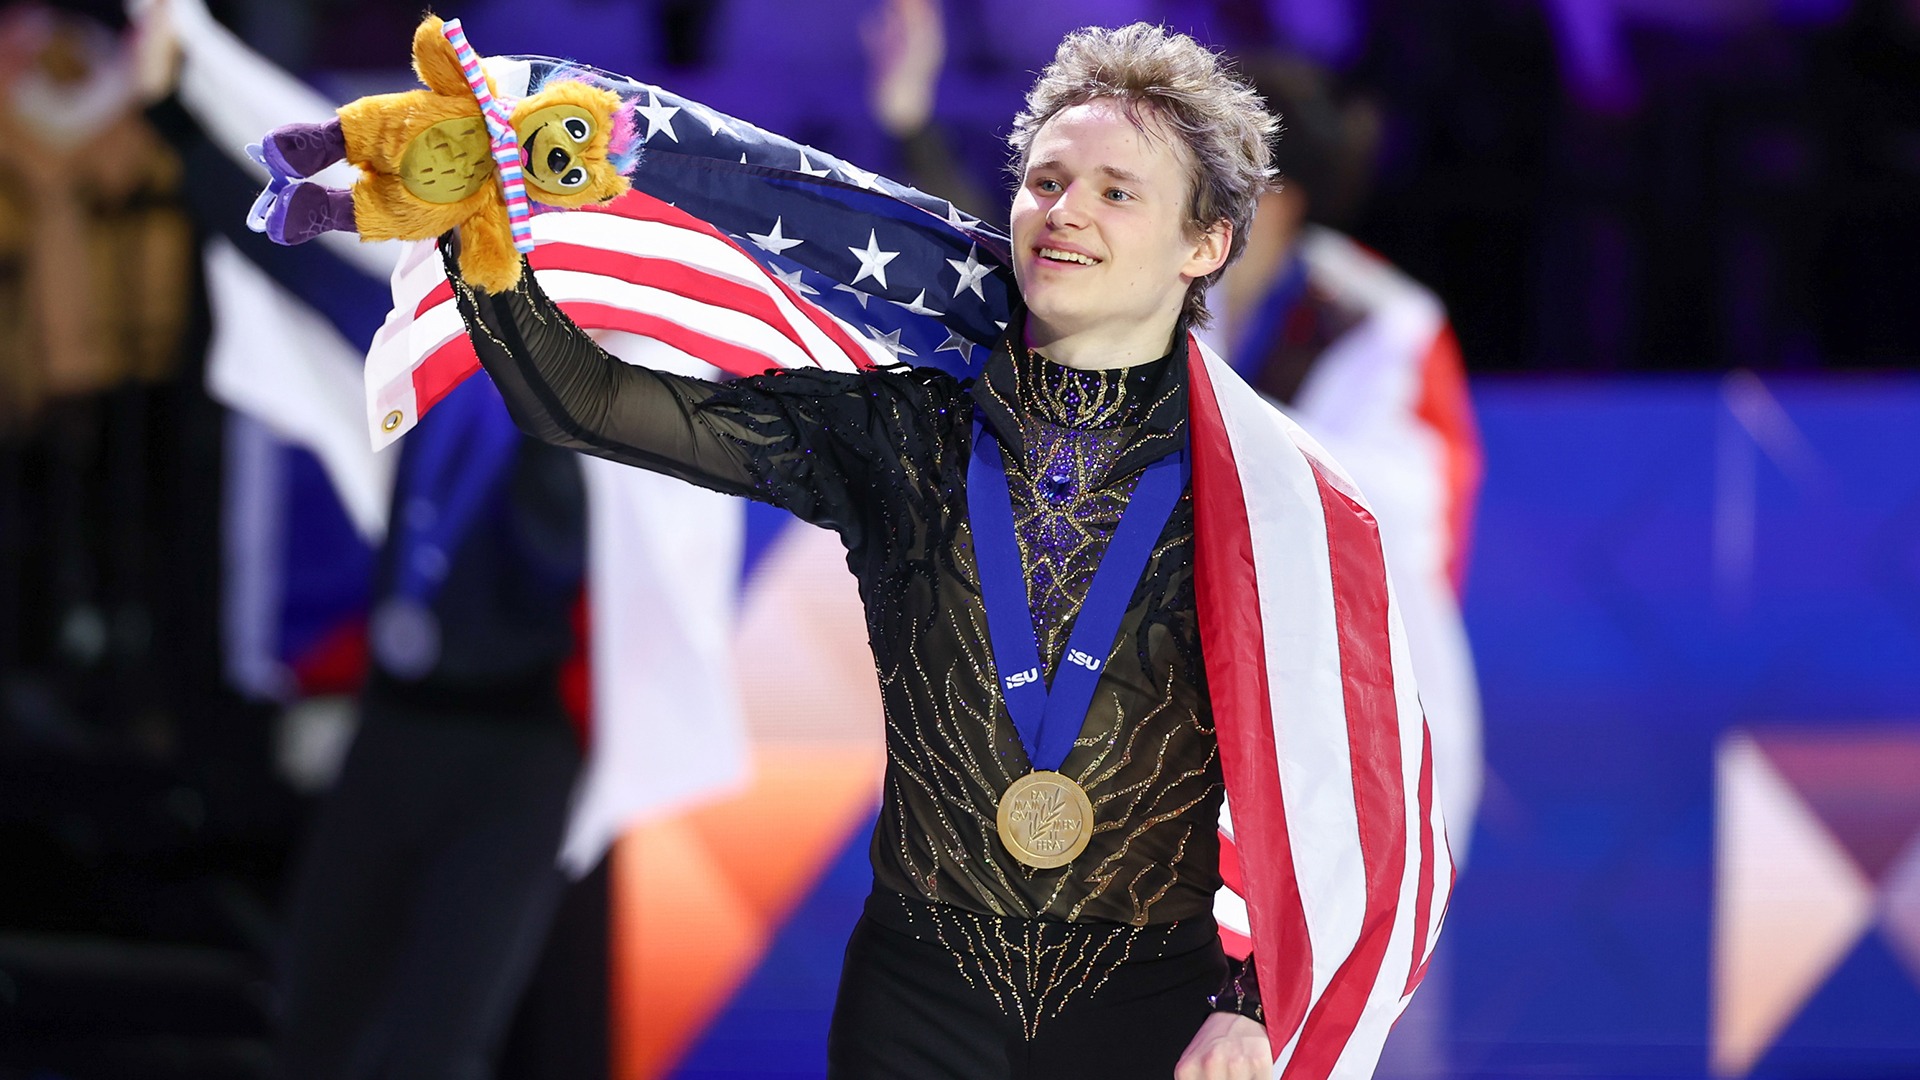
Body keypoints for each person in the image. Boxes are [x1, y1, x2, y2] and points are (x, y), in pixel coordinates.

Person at [402, 23, 1447, 1080]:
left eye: (1117, 192)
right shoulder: (904, 435)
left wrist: (1258, 1003)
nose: (1065, 210)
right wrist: (482, 242)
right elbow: (591, 403)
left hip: (1153, 1017)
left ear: (1205, 244)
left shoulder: (1272, 504)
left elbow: (1361, 797)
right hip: (916, 1009)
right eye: (1046, 178)